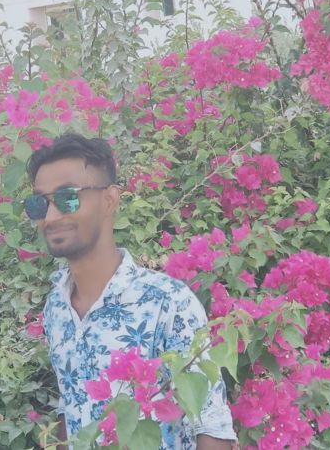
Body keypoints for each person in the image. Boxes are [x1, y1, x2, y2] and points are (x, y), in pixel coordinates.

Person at [26, 134, 236, 449]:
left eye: (68, 198)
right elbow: (73, 405)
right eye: (39, 203)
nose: (51, 217)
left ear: (109, 200)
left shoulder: (167, 303)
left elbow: (211, 427)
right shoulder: (56, 307)